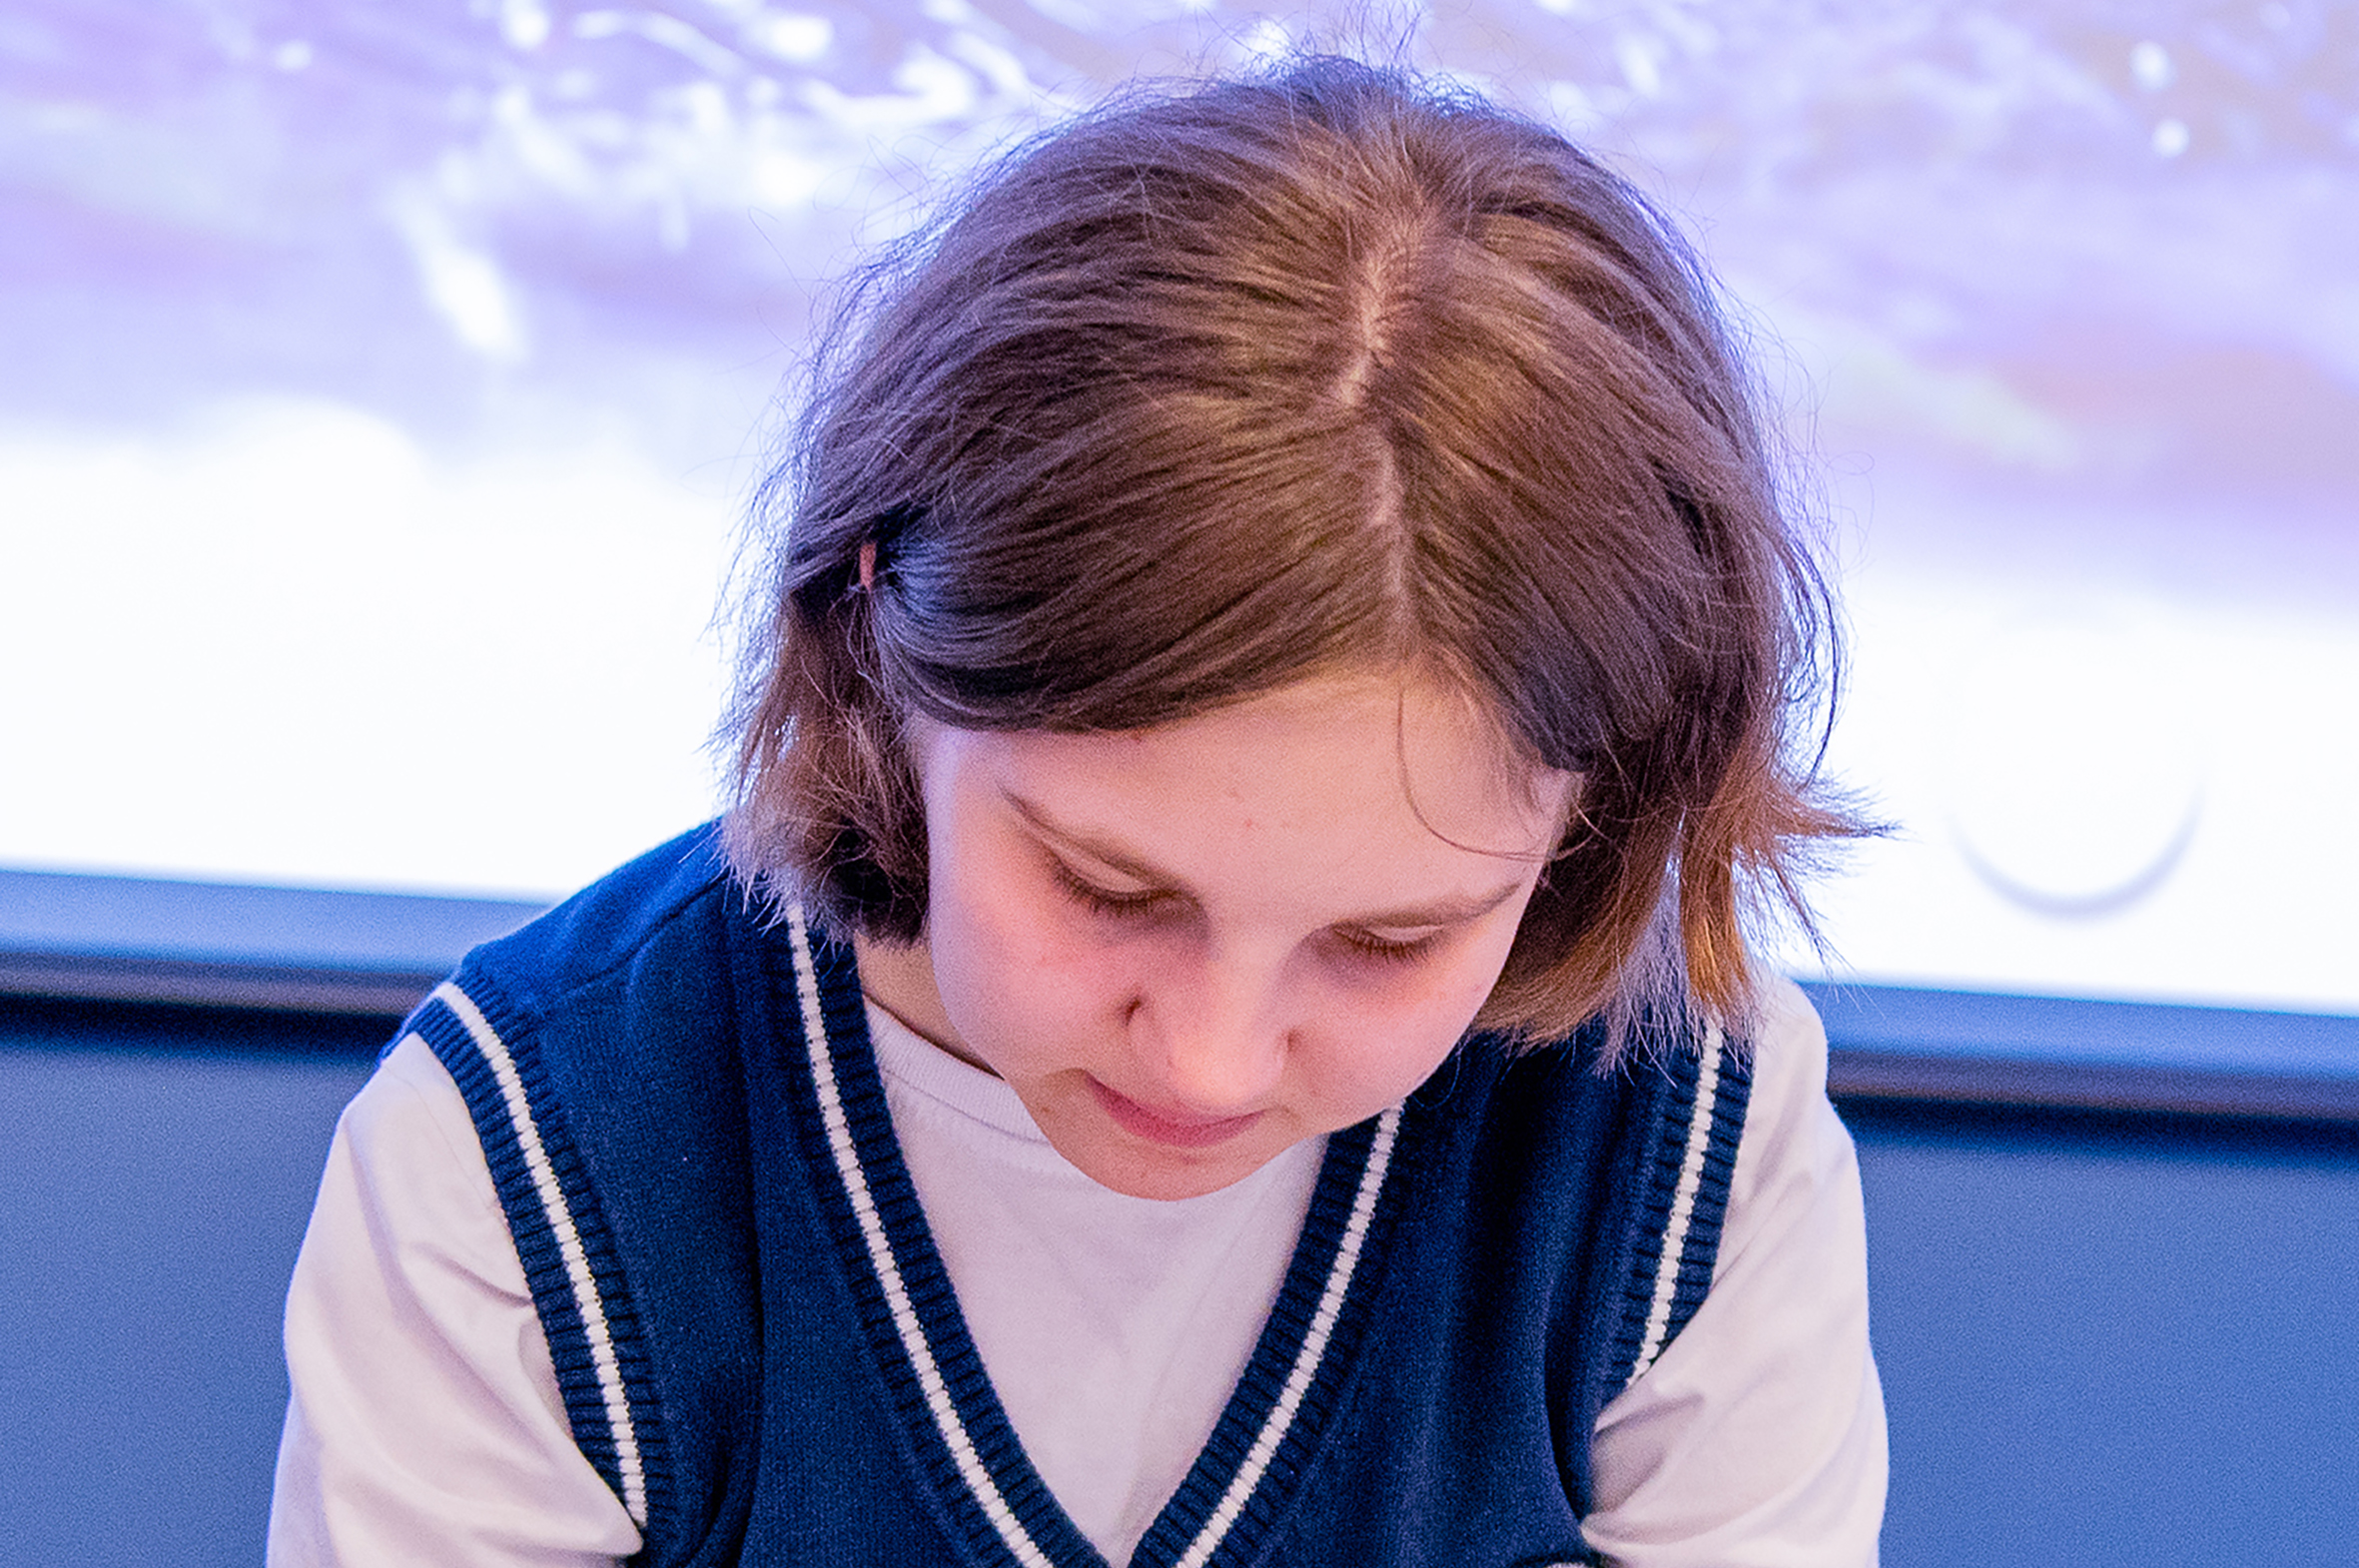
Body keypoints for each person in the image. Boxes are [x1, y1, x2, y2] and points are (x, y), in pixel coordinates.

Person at [269, 58, 1885, 1567]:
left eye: (1390, 939)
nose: (1208, 1060)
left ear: (1603, 817)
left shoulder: (1681, 1143)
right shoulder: (536, 1162)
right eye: (1109, 889)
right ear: (874, 637)